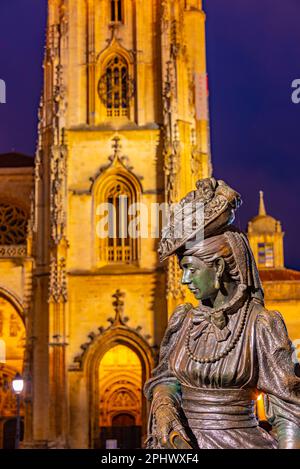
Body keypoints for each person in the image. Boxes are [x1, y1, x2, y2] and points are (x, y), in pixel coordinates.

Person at [144, 178, 300, 449]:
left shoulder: (260, 325)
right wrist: (164, 407)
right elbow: (165, 378)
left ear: (217, 268)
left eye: (191, 269)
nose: (183, 280)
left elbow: (289, 414)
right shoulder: (184, 322)